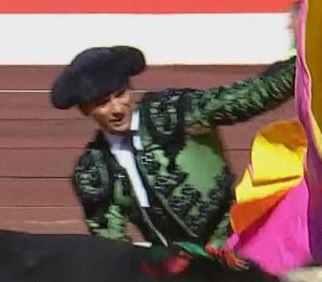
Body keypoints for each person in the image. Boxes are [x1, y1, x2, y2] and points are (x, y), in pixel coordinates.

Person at [50, 46, 298, 253]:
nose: (117, 108)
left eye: (120, 94)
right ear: (85, 110)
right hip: (176, 269)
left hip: (237, 238)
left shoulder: (170, 113)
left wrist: (304, 66)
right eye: (103, 103)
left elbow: (249, 96)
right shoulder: (94, 171)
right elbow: (112, 249)